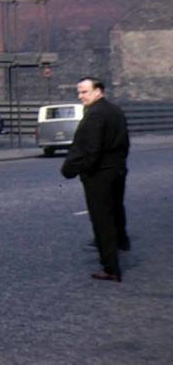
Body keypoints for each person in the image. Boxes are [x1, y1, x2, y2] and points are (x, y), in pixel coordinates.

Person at [61, 77, 130, 282]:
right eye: (79, 92)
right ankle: (121, 242)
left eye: (84, 92)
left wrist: (77, 169)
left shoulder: (94, 115)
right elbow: (125, 143)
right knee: (115, 209)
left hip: (99, 174)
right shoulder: (115, 111)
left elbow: (90, 149)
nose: (80, 96)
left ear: (98, 91)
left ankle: (111, 268)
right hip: (117, 170)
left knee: (101, 219)